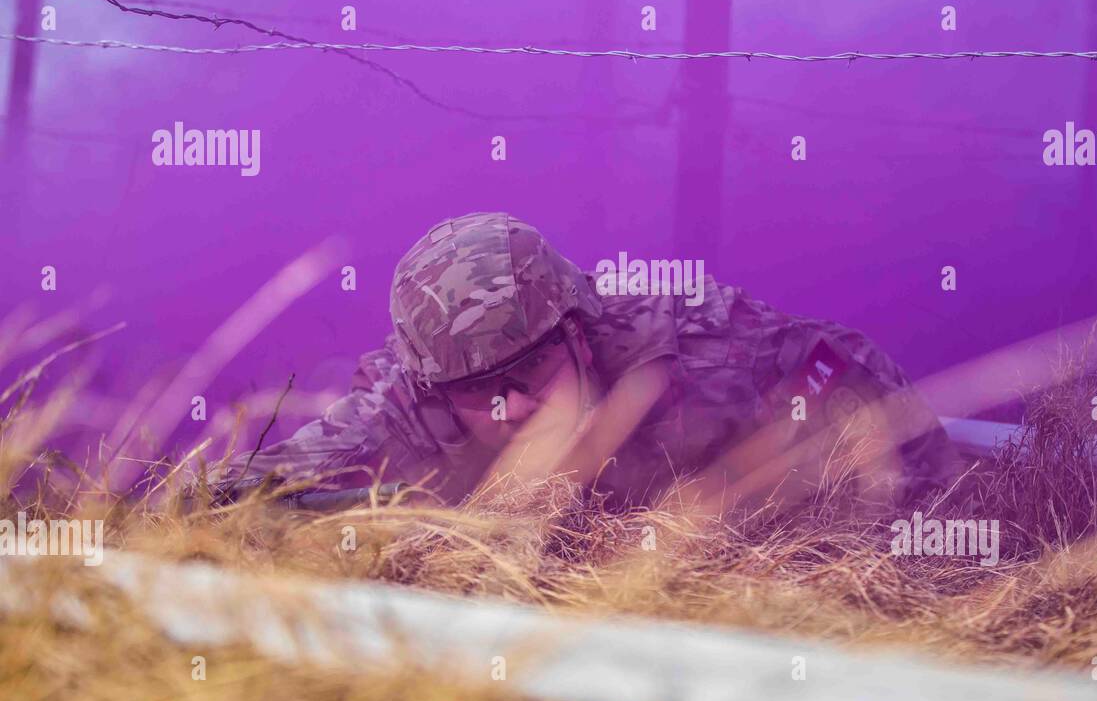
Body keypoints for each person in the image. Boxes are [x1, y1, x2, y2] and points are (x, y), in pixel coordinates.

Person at [218, 212, 957, 518]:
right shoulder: (407, 409)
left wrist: (863, 521)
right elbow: (236, 499)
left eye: (528, 375)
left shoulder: (698, 346)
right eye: (476, 392)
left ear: (579, 334)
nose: (510, 410)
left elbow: (842, 366)